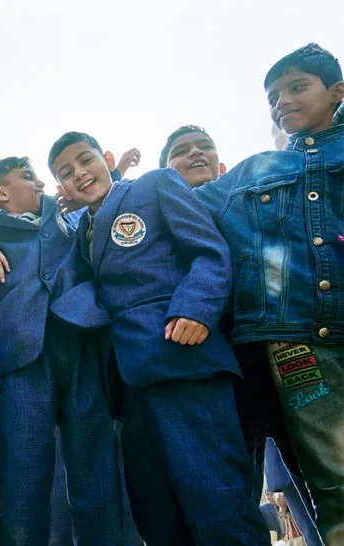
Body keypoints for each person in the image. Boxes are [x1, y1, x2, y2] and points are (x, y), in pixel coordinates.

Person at [49, 131, 271, 545]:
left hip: (183, 360)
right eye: (66, 172)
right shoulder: (81, 232)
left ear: (107, 159)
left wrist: (196, 307)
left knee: (217, 500)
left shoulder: (154, 184)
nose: (79, 173)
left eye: (85, 160)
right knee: (158, 516)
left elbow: (209, 251)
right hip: (128, 385)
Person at [193, 43, 344, 546]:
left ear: (337, 92)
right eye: (273, 96)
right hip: (294, 341)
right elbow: (178, 208)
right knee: (334, 478)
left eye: (297, 87)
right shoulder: (253, 170)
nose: (282, 101)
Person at [0, 156, 123, 545]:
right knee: (22, 474)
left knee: (95, 469)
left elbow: (104, 202)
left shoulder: (69, 214)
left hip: (81, 342)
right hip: (22, 357)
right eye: (27, 177)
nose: (40, 183)